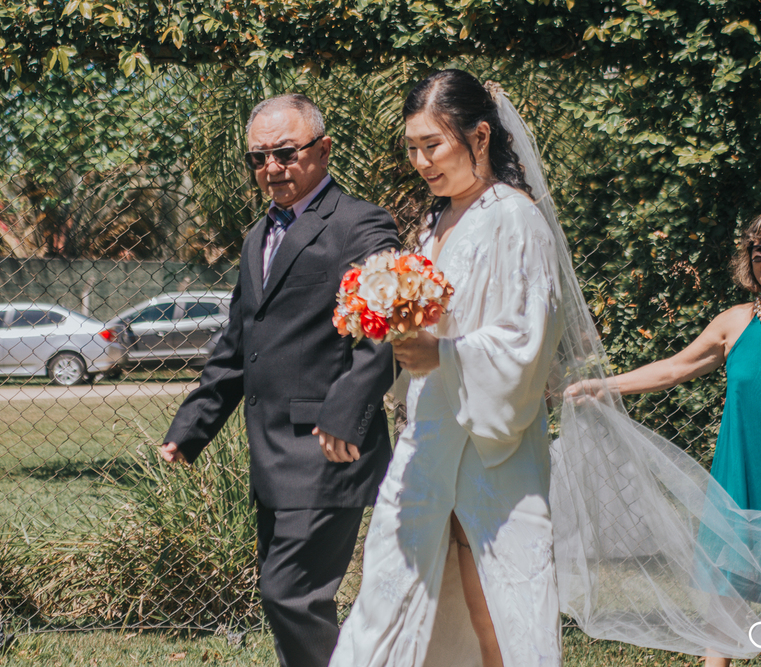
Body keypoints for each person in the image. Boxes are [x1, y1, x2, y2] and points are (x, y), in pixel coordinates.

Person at [566, 203, 761, 667]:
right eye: (760, 249)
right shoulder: (734, 322)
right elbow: (676, 368)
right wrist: (603, 386)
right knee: (729, 582)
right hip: (748, 471)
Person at [330, 69, 565, 667]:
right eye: (412, 148)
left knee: (498, 601)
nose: (421, 161)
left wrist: (444, 354)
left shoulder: (515, 219)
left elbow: (527, 340)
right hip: (431, 436)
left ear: (479, 137)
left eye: (432, 145)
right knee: (394, 588)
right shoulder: (436, 223)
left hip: (495, 451)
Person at [159, 93, 400, 667]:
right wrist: (192, 426)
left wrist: (347, 414)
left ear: (324, 149)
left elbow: (385, 324)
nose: (272, 168)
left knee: (288, 593)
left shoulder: (359, 223)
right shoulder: (256, 236)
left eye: (286, 153)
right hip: (270, 453)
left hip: (327, 445)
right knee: (293, 598)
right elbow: (240, 344)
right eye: (259, 158)